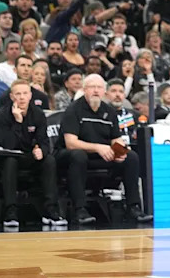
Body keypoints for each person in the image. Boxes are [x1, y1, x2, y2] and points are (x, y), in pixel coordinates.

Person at [55, 74, 152, 225]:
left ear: (104, 92)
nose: (95, 91)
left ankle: (134, 207)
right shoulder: (74, 110)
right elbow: (70, 143)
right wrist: (98, 148)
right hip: (71, 156)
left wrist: (119, 152)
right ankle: (80, 209)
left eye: (99, 87)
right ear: (84, 90)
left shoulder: (110, 112)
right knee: (78, 156)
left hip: (101, 155)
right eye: (92, 87)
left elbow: (116, 139)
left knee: (131, 157)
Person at [0, 80, 66, 227]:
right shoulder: (1, 116)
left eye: (25, 93)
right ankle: (10, 210)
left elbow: (44, 141)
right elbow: (9, 145)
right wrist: (18, 122)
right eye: (18, 94)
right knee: (10, 162)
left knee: (49, 160)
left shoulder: (38, 114)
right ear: (12, 96)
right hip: (9, 156)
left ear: (30, 95)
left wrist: (42, 150)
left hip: (29, 156)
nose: (21, 97)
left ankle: (51, 209)